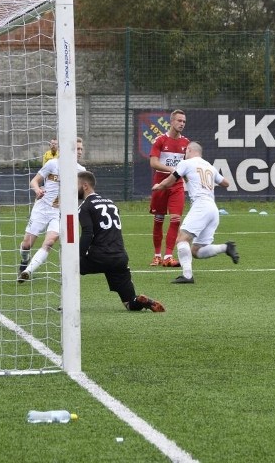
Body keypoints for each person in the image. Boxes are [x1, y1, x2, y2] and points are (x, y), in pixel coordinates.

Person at [152, 141, 239, 284]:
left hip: (201, 206)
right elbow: (226, 183)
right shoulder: (209, 166)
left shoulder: (186, 163)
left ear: (189, 150)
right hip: (213, 209)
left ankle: (187, 276)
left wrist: (158, 186)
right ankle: (226, 247)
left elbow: (169, 181)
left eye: (186, 152)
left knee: (181, 239)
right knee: (196, 251)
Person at [77, 171, 165, 312]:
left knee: (69, 266)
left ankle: (66, 304)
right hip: (119, 257)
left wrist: (78, 255)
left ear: (85, 186)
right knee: (130, 303)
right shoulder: (111, 203)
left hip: (99, 257)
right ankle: (142, 301)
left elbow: (88, 233)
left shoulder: (85, 206)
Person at [17, 137, 85, 282]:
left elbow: (82, 194)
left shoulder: (81, 171)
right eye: (77, 149)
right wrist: (37, 190)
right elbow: (34, 181)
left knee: (50, 242)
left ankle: (28, 272)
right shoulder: (52, 164)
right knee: (27, 244)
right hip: (41, 208)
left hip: (58, 213)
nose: (80, 152)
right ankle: (24, 261)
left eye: (81, 149)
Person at [148, 109, 190, 268]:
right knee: (159, 219)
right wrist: (172, 170)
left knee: (176, 220)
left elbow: (188, 166)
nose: (182, 124)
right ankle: (157, 255)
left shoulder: (186, 143)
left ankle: (168, 256)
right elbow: (153, 163)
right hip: (160, 184)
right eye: (179, 121)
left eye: (184, 122)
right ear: (171, 122)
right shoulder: (160, 140)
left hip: (177, 185)